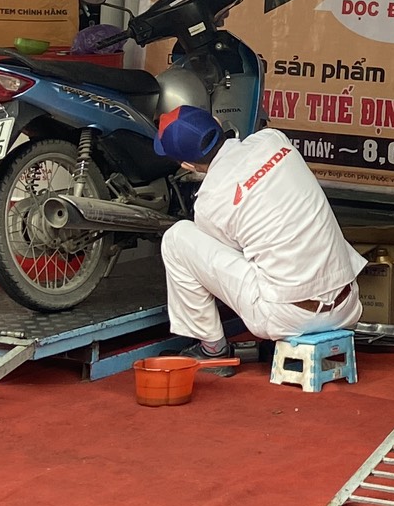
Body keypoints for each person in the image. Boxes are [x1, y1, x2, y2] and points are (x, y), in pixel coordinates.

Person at [155, 106, 361, 368]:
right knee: (296, 220)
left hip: (287, 317)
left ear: (186, 165)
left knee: (176, 238)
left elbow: (232, 257)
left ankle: (213, 349)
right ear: (218, 122)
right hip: (347, 307)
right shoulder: (273, 139)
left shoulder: (208, 204)